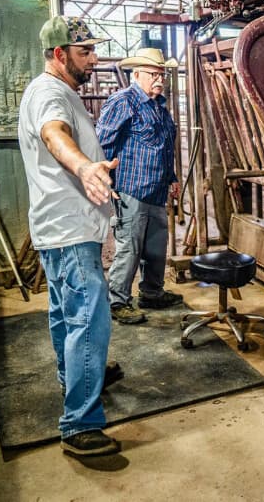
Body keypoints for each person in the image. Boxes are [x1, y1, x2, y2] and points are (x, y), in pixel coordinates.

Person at [18, 15, 121, 456]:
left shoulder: (60, 91)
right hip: (69, 229)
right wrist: (83, 167)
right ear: (60, 55)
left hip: (61, 228)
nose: (93, 60)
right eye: (85, 52)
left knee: (65, 313)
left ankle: (76, 375)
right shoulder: (50, 93)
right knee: (89, 318)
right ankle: (79, 422)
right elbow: (53, 133)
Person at [96, 48, 183, 325]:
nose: (159, 79)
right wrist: (104, 179)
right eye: (153, 74)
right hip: (131, 188)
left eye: (162, 74)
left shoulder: (159, 105)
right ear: (136, 75)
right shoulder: (123, 102)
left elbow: (164, 147)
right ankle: (118, 301)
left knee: (157, 247)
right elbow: (102, 143)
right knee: (129, 248)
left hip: (157, 189)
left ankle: (152, 293)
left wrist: (172, 179)